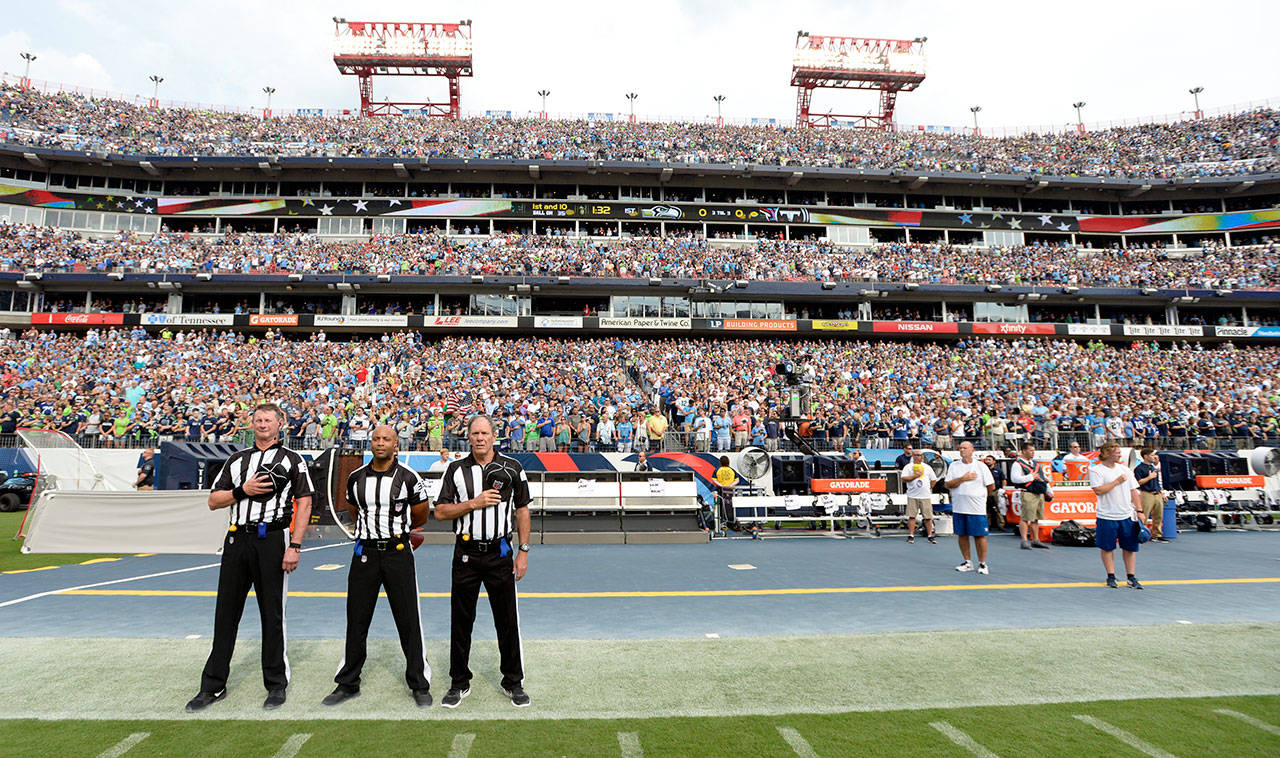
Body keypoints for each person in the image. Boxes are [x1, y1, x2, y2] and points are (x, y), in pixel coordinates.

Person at [185, 403, 315, 713]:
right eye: (258, 420)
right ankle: (213, 686)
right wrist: (243, 490)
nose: (262, 424)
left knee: (272, 614)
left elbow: (306, 502)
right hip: (237, 539)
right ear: (251, 423)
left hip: (271, 538)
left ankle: (275, 684)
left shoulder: (293, 460)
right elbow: (214, 500)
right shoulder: (236, 460)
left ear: (279, 424)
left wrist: (295, 545)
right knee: (225, 614)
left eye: (268, 420)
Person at [323, 425, 433, 708]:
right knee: (357, 619)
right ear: (370, 443)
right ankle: (348, 682)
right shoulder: (356, 477)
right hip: (365, 554)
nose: (380, 443)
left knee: (408, 619)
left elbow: (420, 514)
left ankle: (418, 682)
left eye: (386, 439)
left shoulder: (409, 477)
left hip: (397, 552)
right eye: (376, 439)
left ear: (396, 444)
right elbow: (353, 510)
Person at [433, 415, 533, 708]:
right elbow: (439, 512)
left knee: (507, 620)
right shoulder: (454, 470)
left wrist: (523, 551)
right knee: (461, 621)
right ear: (468, 437)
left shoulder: (512, 467)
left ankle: (513, 682)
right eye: (475, 433)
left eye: (484, 433)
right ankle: (459, 682)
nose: (479, 438)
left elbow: (523, 509)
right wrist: (473, 503)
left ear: (493, 436)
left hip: (500, 553)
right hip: (465, 554)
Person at [1089, 441, 1146, 589]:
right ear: (1107, 453)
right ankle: (1111, 576)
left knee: (1130, 547)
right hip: (1106, 515)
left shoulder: (1125, 470)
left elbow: (1133, 491)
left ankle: (1131, 576)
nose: (1120, 454)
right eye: (1117, 452)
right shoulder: (1096, 470)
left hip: (1126, 515)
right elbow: (1098, 490)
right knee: (1107, 547)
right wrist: (1117, 481)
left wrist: (1139, 511)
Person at [945, 441, 995, 575]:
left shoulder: (981, 466)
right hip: (959, 506)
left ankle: (982, 563)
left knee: (980, 536)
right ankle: (967, 562)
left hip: (976, 508)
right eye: (960, 448)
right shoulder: (954, 466)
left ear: (972, 450)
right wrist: (963, 478)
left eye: (965, 448)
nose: (962, 450)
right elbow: (948, 484)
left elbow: (991, 486)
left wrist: (981, 497)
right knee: (962, 535)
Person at [1009, 442, 1051, 550]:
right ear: (1024, 451)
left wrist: (1049, 490)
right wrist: (1030, 477)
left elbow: (1043, 478)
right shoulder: (1017, 464)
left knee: (1035, 518)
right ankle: (1024, 540)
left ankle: (1035, 539)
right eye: (1031, 450)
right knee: (1025, 518)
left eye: (1033, 450)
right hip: (1027, 492)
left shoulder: (1035, 464)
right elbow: (1015, 479)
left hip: (1038, 492)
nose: (1033, 452)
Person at [1133, 447, 1169, 543]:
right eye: (1152, 455)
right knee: (1143, 515)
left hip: (1157, 493)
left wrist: (1161, 493)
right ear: (1145, 456)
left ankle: (1157, 534)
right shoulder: (1139, 469)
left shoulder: (1153, 468)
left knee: (1158, 515)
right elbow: (1138, 482)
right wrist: (1149, 477)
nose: (1154, 457)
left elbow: (1157, 482)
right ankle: (1141, 534)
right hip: (1146, 493)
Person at [901, 449, 936, 544]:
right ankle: (911, 535)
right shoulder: (908, 467)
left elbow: (933, 480)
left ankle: (930, 535)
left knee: (928, 517)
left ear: (922, 456)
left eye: (919, 455)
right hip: (912, 495)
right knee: (912, 516)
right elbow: (903, 479)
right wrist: (914, 477)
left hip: (925, 496)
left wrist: (929, 488)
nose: (917, 456)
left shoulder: (927, 467)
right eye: (915, 455)